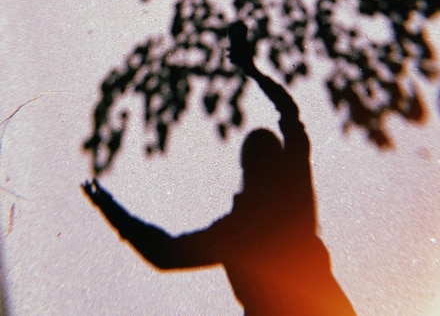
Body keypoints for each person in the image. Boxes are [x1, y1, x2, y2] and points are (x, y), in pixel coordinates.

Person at [82, 21, 356, 315]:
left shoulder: (237, 231)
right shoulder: (291, 194)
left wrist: (110, 209)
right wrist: (252, 70)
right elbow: (288, 112)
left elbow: (163, 253)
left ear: (247, 171)